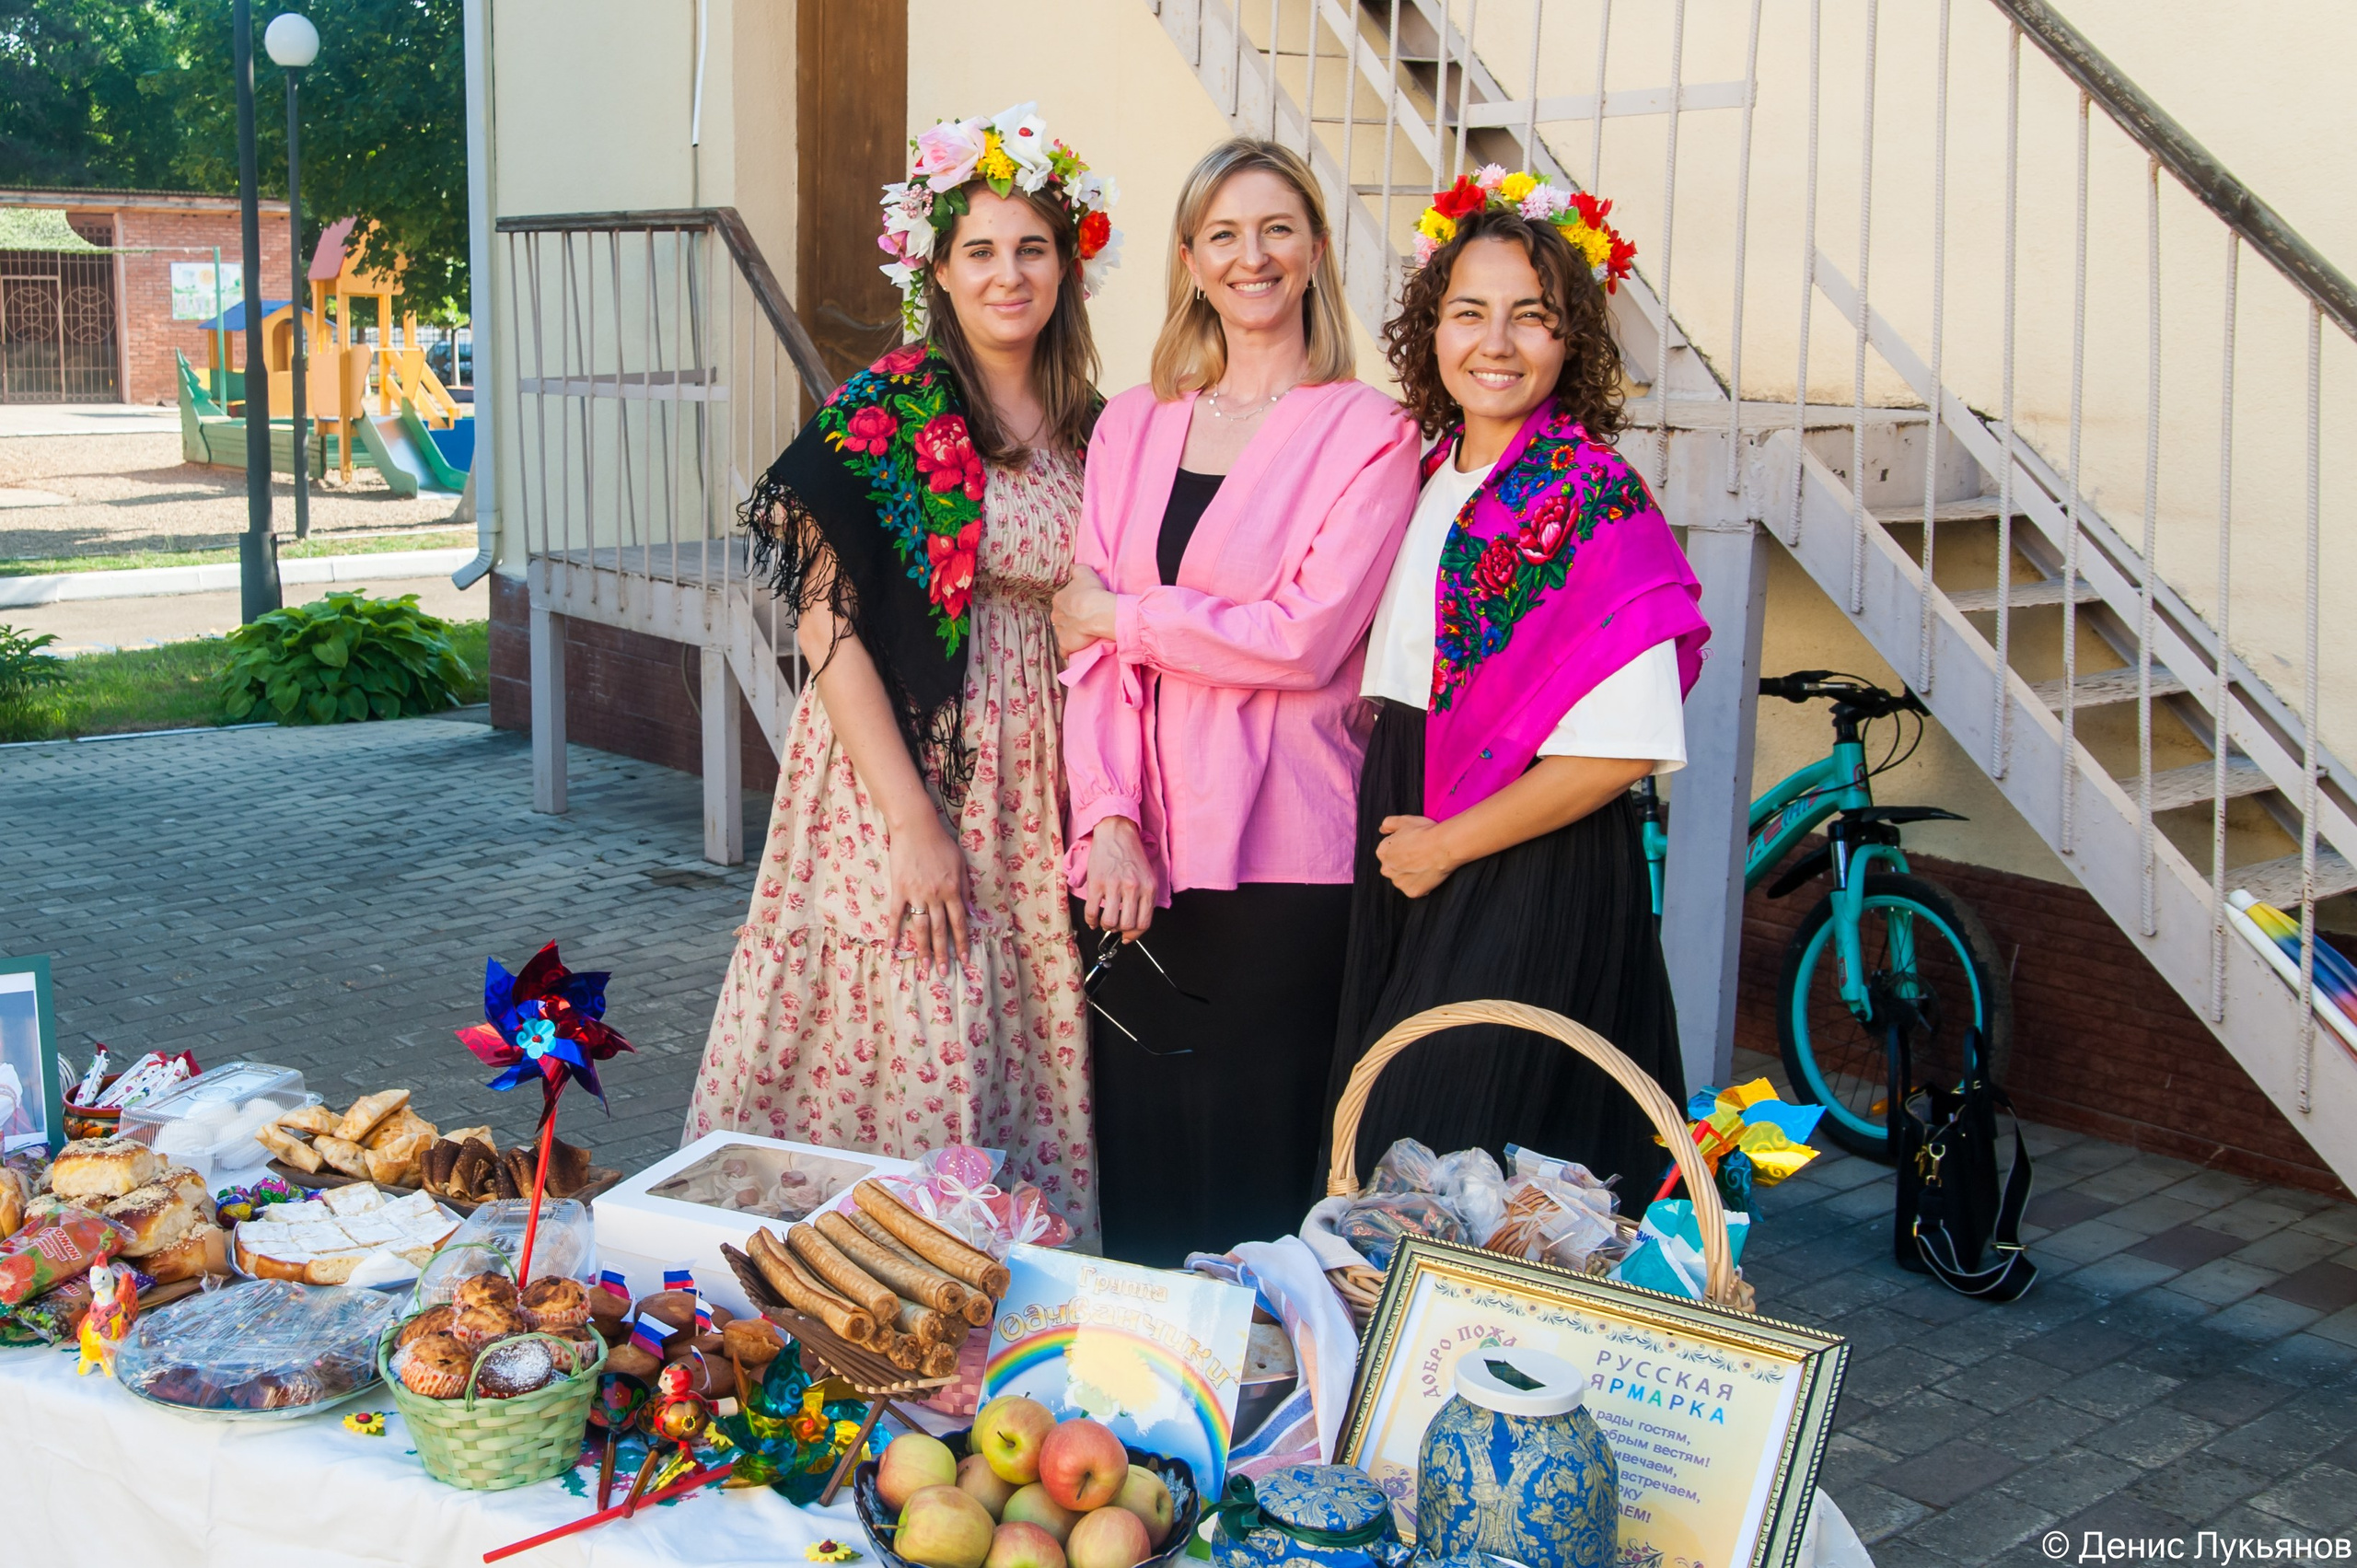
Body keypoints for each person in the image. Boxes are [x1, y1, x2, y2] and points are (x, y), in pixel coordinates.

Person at [686, 105, 1123, 1242]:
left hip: (1036, 781)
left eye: (1031, 247)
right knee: (909, 1007)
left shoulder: (1093, 424)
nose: (1007, 272)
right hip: (903, 769)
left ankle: (995, 1297)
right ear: (936, 268)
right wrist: (911, 818)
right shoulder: (889, 408)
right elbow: (824, 627)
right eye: (979, 249)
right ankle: (859, 1281)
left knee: (1006, 1024)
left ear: (1068, 263)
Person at [1052, 138, 1420, 1266]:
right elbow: (1084, 653)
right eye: (1223, 233)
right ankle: (1153, 1425)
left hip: (1286, 856)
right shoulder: (1134, 423)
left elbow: (1305, 641)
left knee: (1262, 1169)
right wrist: (1106, 814)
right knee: (1143, 1155)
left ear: (1313, 249)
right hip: (1135, 858)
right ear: (1190, 260)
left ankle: (1272, 1423)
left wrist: (1129, 615)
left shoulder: (1371, 430)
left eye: (1274, 230)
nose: (1250, 256)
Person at [1323, 170, 1709, 1196]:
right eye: (1468, 312)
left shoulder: (1589, 495)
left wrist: (1448, 842)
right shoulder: (1419, 472)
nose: (1495, 343)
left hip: (1528, 857)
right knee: (1393, 1141)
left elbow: (1621, 748)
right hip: (1409, 820)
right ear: (1429, 328)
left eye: (1529, 317)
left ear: (1569, 337)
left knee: (1454, 1142)